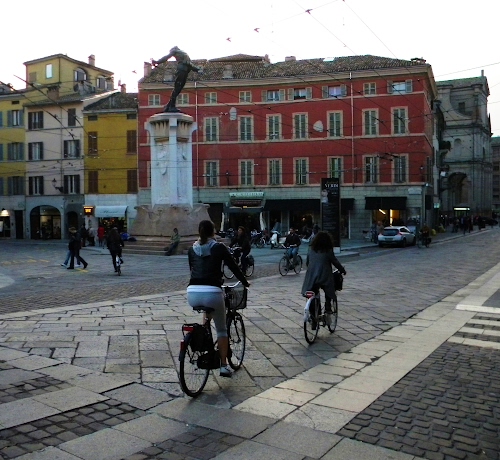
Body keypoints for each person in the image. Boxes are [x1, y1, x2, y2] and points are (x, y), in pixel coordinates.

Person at [187, 220, 250, 378]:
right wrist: (245, 282)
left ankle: (204, 333)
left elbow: (192, 270)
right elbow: (233, 266)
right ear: (213, 232)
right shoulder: (219, 247)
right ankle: (223, 366)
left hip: (192, 292)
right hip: (212, 292)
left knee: (207, 313)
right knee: (221, 330)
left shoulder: (191, 249)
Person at [301, 231, 346, 328]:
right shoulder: (328, 250)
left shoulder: (311, 249)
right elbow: (335, 262)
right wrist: (342, 270)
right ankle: (328, 308)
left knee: (312, 293)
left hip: (312, 276)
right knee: (329, 290)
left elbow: (308, 262)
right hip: (324, 276)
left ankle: (314, 316)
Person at [152, 47, 201, 112]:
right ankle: (171, 106)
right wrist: (157, 62)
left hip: (185, 71)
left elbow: (189, 64)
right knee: (177, 88)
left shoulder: (178, 52)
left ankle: (169, 105)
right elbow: (166, 57)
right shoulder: (183, 53)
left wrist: (197, 69)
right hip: (181, 70)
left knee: (179, 89)